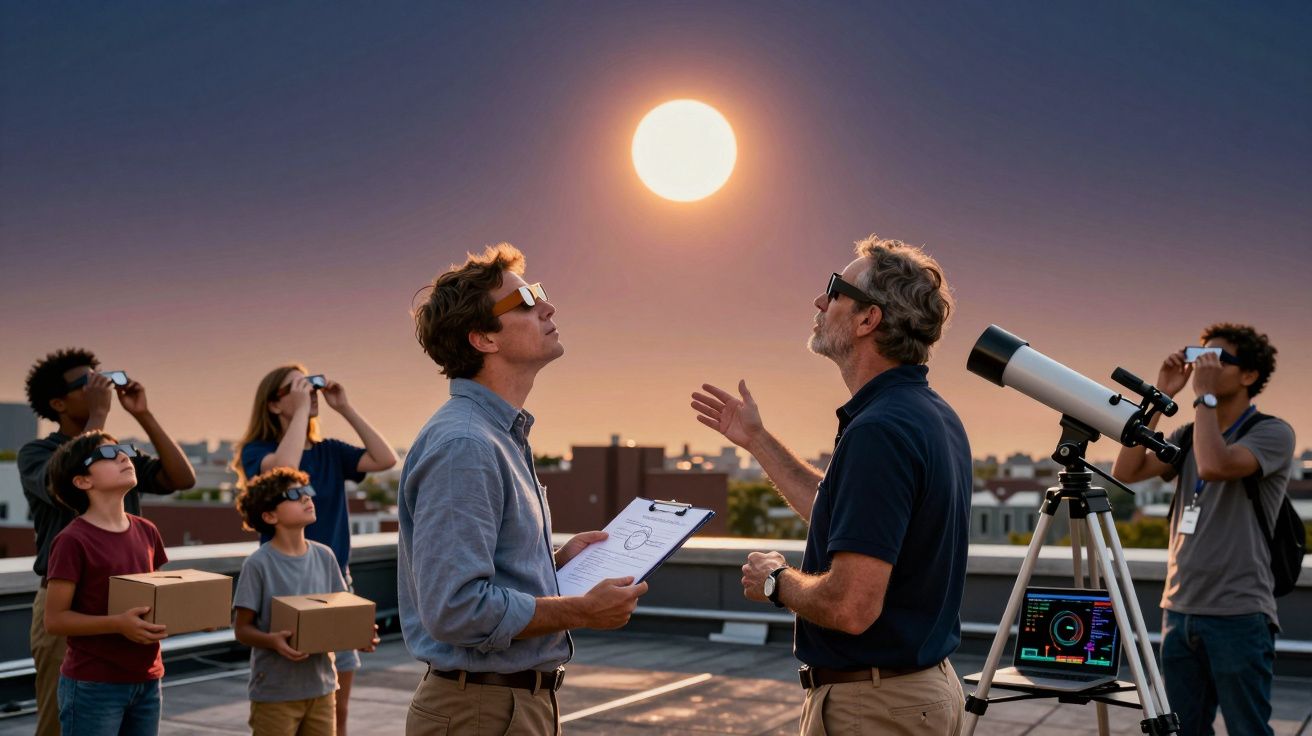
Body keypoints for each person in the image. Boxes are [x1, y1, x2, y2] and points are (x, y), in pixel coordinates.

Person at [691, 235, 970, 735]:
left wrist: (776, 582)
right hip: (918, 693)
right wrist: (757, 440)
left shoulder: (880, 430)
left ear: (869, 320)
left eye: (835, 289)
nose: (820, 302)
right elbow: (844, 515)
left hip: (876, 708)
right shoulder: (929, 414)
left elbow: (851, 607)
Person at [399, 243, 648, 735]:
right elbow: (456, 609)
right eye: (528, 299)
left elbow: (483, 575)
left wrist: (555, 563)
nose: (547, 306)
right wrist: (582, 609)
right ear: (483, 339)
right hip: (480, 711)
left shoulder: (496, 435)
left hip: (507, 704)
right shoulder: (465, 445)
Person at [1112, 324, 1294, 736]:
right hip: (1179, 609)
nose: (1203, 367)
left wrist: (1204, 397)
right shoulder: (1191, 433)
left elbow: (1216, 466)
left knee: (1247, 729)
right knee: (1184, 730)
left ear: (1248, 375)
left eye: (1217, 360)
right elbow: (1127, 470)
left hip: (1239, 613)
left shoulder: (1272, 433)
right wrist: (1160, 396)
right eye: (1201, 356)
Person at [20, 349, 195, 736]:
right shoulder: (38, 453)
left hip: (129, 608)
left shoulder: (115, 456)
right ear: (58, 403)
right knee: (58, 720)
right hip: (68, 598)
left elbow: (182, 479)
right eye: (88, 384)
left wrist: (142, 414)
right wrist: (99, 418)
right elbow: (56, 483)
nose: (101, 388)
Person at [233, 365, 397, 736]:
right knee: (288, 698)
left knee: (334, 704)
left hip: (333, 579)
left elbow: (385, 459)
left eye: (311, 388)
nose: (310, 393)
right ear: (274, 405)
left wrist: (344, 407)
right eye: (297, 388)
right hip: (285, 583)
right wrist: (303, 412)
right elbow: (285, 472)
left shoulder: (329, 452)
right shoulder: (259, 451)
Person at [43, 432, 173, 736]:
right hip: (94, 684)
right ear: (82, 481)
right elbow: (55, 620)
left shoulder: (147, 530)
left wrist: (193, 616)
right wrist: (118, 624)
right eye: (108, 454)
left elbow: (161, 596)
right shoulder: (72, 541)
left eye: (125, 450)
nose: (124, 456)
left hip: (147, 679)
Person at [233, 467, 380, 736]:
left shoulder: (325, 556)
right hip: (275, 693)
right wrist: (273, 640)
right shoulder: (258, 564)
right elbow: (242, 629)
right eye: (293, 494)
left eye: (307, 491)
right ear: (269, 515)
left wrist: (360, 635)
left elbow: (340, 614)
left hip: (322, 687)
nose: (306, 498)